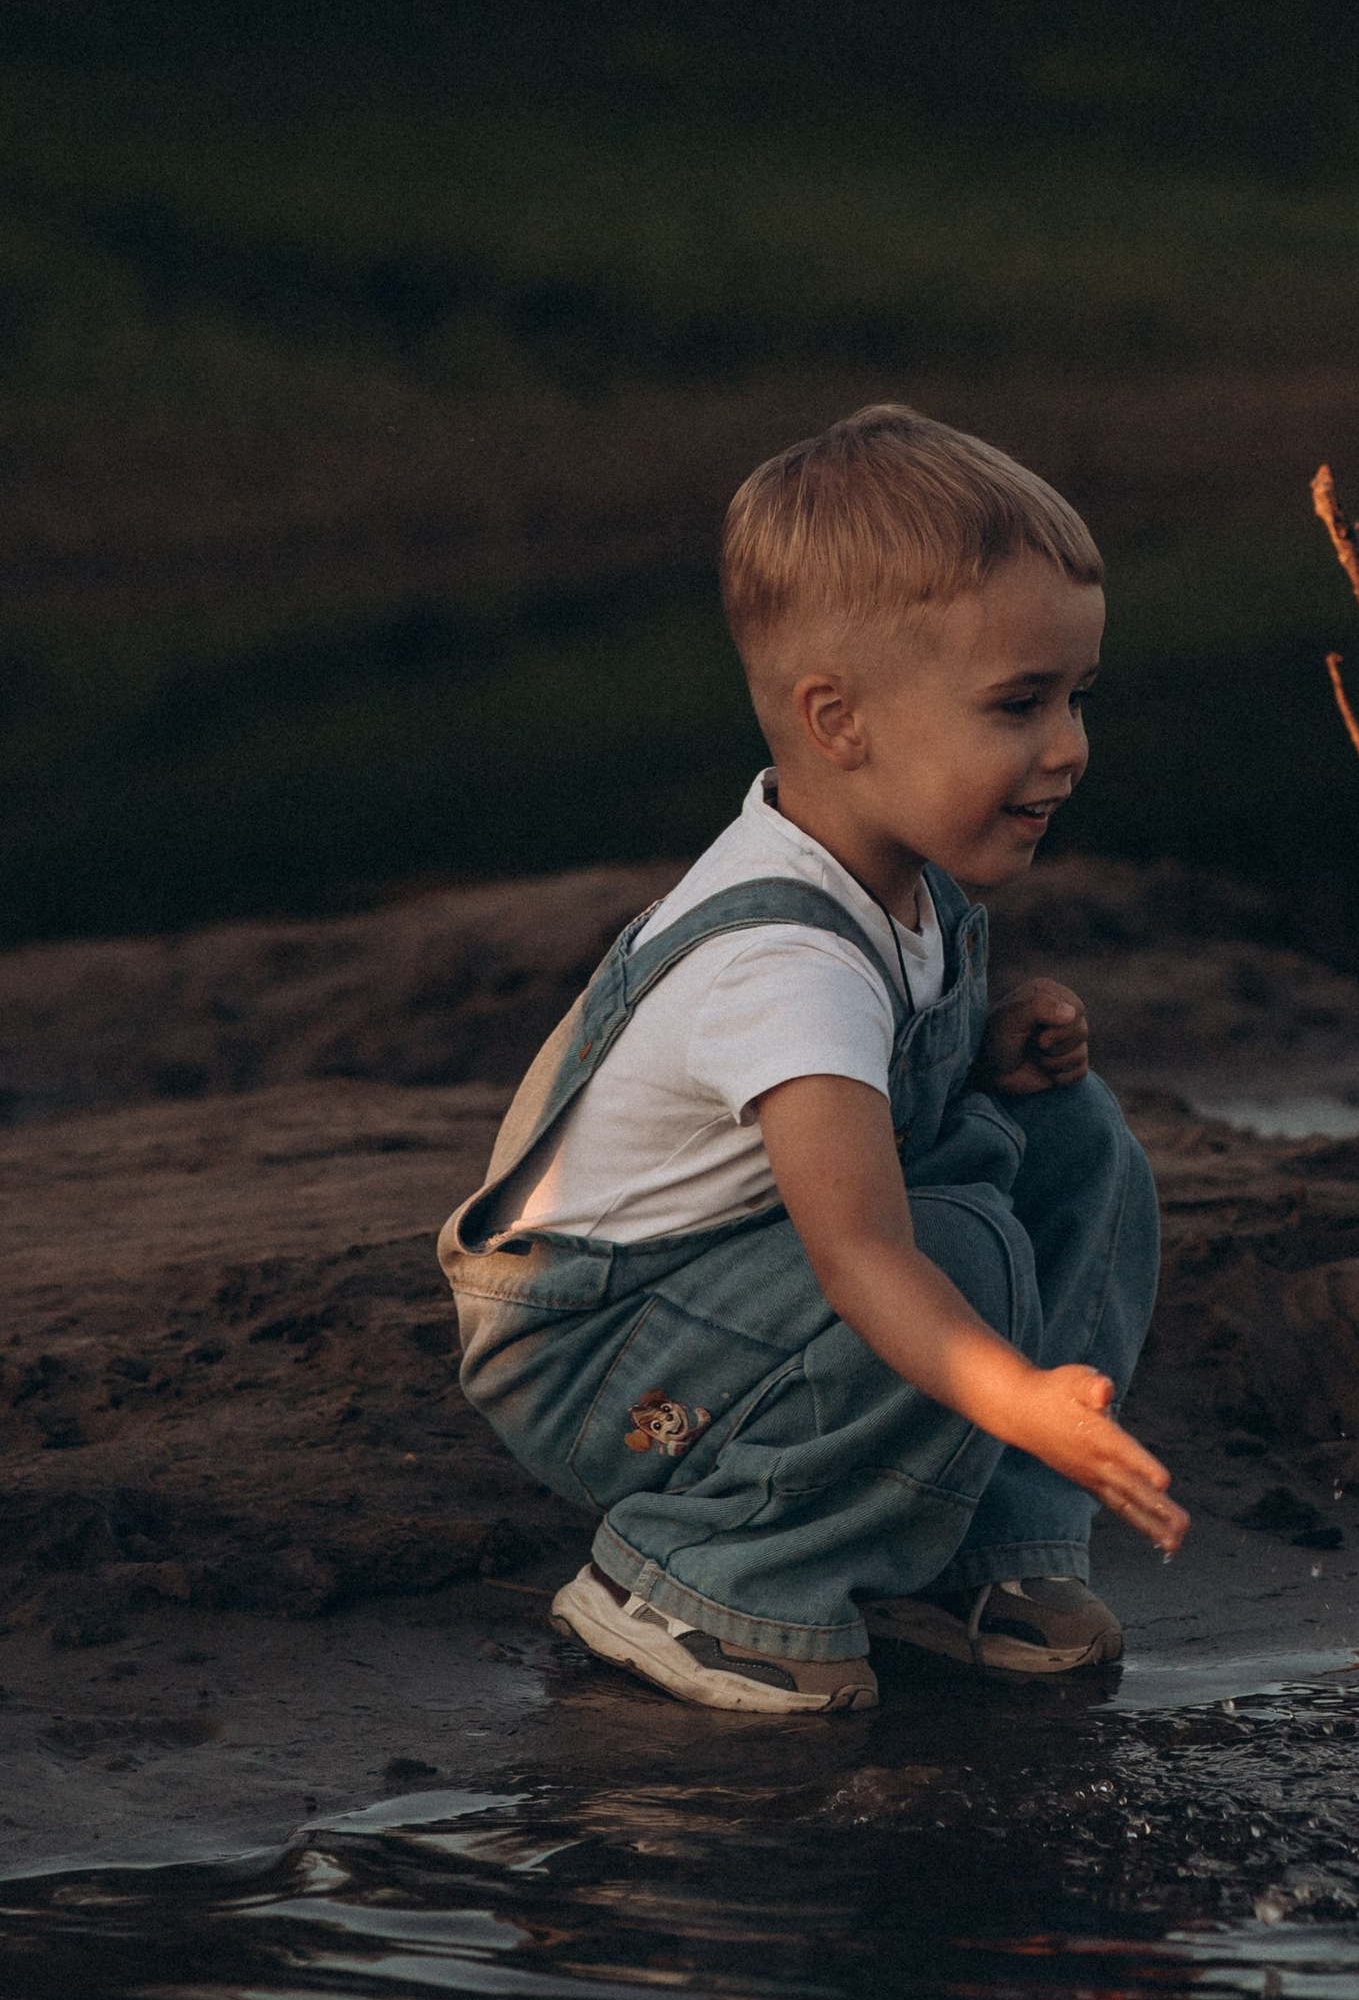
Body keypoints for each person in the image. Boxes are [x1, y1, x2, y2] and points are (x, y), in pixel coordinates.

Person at [440, 405, 1184, 1715]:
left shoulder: (901, 873)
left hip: (733, 1293)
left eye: (1078, 697)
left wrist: (995, 1047)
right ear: (838, 721)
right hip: (601, 1359)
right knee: (950, 1253)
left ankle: (968, 1560)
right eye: (1019, 704)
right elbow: (861, 1255)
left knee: (1078, 1143)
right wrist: (1016, 1395)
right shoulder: (784, 963)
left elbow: (893, 1105)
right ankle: (697, 1577)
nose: (1068, 747)